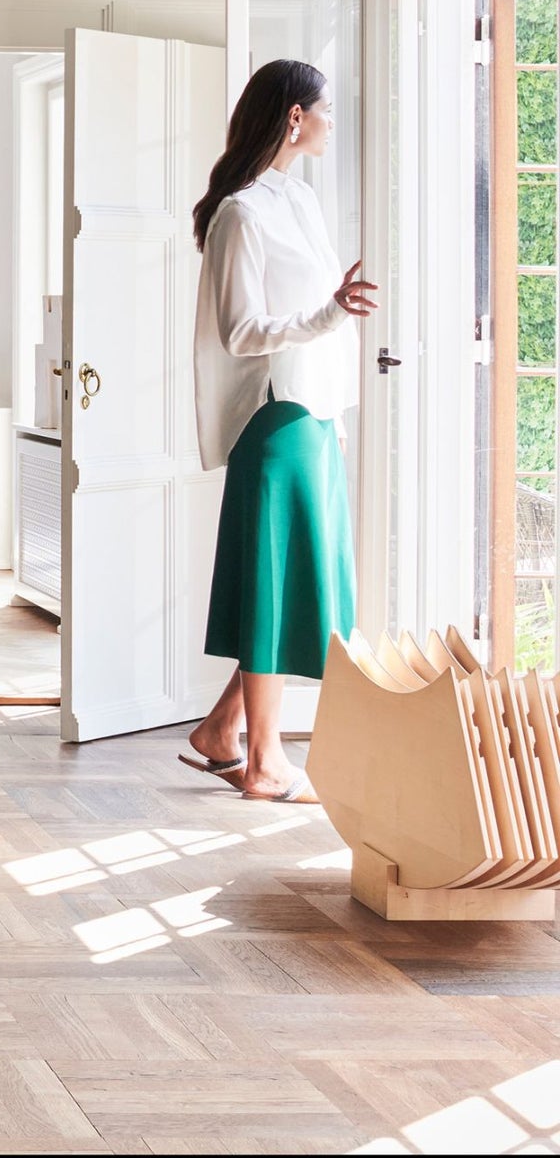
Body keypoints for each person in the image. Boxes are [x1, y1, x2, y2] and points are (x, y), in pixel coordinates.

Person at [184, 59, 375, 803]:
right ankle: (263, 762)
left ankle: (220, 732)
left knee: (295, 588)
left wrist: (336, 408)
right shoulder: (241, 213)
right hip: (275, 423)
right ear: (295, 116)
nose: (333, 121)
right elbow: (239, 332)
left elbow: (321, 325)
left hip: (313, 417)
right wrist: (331, 310)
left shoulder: (298, 199)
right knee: (273, 587)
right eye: (327, 108)